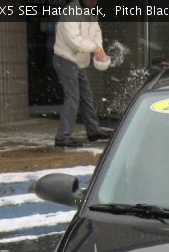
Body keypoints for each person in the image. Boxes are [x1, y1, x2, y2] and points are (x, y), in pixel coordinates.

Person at [53, 0, 112, 148]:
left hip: (79, 61)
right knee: (73, 97)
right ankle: (63, 137)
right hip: (65, 59)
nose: (94, 1)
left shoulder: (91, 12)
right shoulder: (70, 11)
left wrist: (99, 50)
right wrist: (94, 49)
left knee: (87, 96)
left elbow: (96, 34)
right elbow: (74, 40)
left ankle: (93, 132)